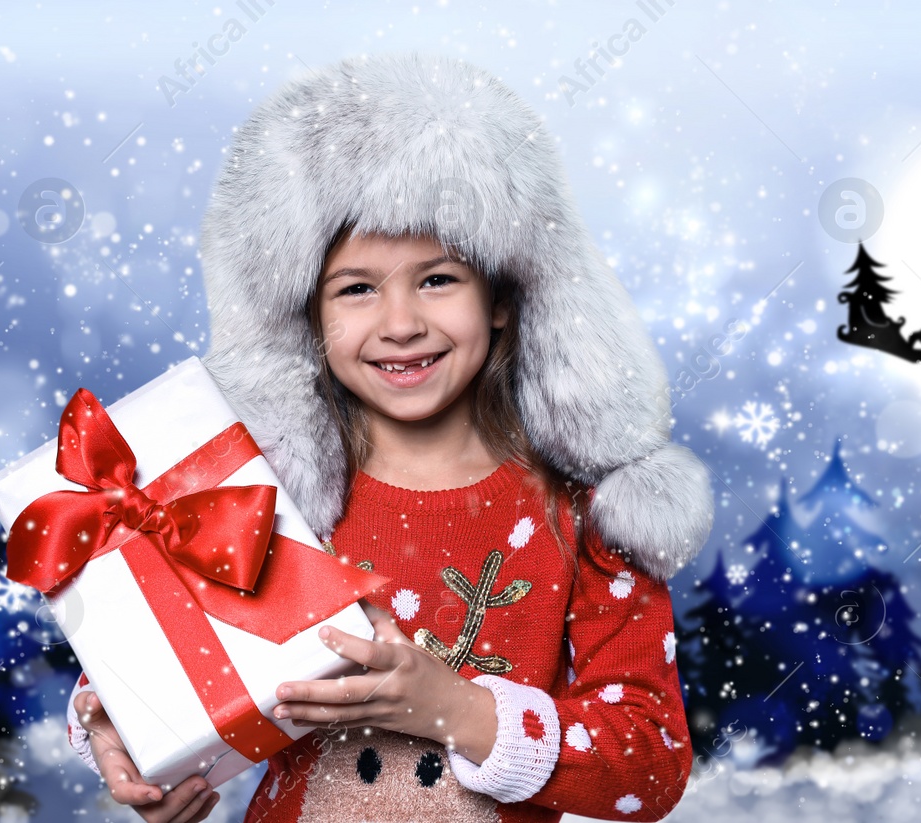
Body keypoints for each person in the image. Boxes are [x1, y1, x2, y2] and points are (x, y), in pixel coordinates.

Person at [65, 52, 714, 823]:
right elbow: (173, 661)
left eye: (437, 279)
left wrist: (461, 710)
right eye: (358, 288)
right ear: (306, 315)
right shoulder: (261, 503)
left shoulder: (590, 513)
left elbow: (649, 762)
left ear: (502, 296)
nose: (401, 324)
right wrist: (122, 731)